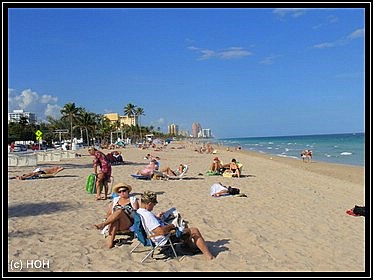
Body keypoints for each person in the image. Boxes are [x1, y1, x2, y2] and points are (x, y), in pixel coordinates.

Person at [137, 190, 215, 260]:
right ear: (149, 204)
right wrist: (172, 226)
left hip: (155, 236)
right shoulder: (148, 216)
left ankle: (188, 246)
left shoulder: (140, 212)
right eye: (153, 205)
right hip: (163, 239)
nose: (153, 207)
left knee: (184, 225)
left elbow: (151, 225)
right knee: (194, 231)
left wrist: (157, 218)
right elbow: (160, 231)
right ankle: (209, 256)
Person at [94, 182, 139, 248]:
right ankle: (110, 244)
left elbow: (137, 213)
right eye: (119, 192)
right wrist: (107, 219)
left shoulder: (132, 200)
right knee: (115, 221)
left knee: (120, 211)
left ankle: (103, 224)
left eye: (124, 191)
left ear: (128, 191)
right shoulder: (115, 200)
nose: (122, 193)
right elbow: (109, 213)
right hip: (115, 223)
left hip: (127, 223)